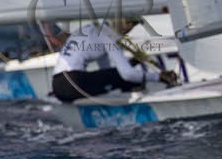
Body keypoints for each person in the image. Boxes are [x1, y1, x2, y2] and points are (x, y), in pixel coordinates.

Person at [50, 17, 178, 102]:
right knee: (130, 80)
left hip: (58, 86)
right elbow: (127, 74)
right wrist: (159, 77)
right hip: (75, 83)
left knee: (118, 79)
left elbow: (106, 72)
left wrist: (132, 62)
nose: (129, 29)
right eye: (130, 24)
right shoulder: (109, 34)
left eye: (133, 25)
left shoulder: (90, 29)